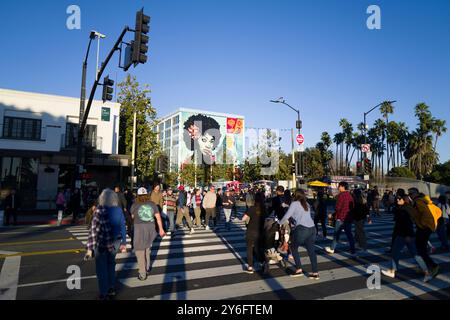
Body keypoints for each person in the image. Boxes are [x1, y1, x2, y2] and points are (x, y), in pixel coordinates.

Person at [84, 189, 127, 300]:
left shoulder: (100, 210)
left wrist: (90, 247)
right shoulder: (118, 210)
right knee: (111, 264)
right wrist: (124, 242)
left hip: (102, 240)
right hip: (116, 241)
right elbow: (123, 226)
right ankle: (111, 287)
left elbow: (94, 230)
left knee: (101, 267)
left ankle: (104, 292)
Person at [381, 194, 432, 282]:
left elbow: (407, 223)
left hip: (404, 235)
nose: (397, 201)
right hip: (405, 234)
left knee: (402, 253)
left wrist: (407, 235)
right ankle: (426, 272)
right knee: (411, 254)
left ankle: (393, 271)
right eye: (397, 199)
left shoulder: (404, 210)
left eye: (399, 199)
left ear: (404, 200)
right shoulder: (406, 208)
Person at [280, 189, 319, 279]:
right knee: (311, 251)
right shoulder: (307, 204)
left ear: (295, 195)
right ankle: (315, 273)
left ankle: (299, 269)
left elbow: (287, 216)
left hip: (302, 228)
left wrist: (280, 223)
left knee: (293, 248)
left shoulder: (295, 203)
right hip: (312, 229)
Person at [130, 187, 165, 281]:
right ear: (147, 195)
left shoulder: (134, 205)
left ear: (137, 195)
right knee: (147, 249)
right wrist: (161, 229)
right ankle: (147, 267)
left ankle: (142, 273)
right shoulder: (152, 204)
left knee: (139, 251)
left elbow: (132, 217)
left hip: (139, 228)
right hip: (150, 228)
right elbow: (158, 217)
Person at [408, 188, 440, 278]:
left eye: (411, 193)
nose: (410, 195)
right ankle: (424, 267)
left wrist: (423, 224)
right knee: (420, 248)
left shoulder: (418, 201)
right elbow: (438, 212)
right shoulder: (426, 201)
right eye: (409, 194)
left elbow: (426, 213)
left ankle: (433, 266)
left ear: (416, 193)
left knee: (420, 249)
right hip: (426, 227)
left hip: (424, 228)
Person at [325, 182, 356, 256]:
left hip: (341, 217)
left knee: (336, 234)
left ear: (342, 187)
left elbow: (337, 207)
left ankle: (332, 248)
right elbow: (352, 207)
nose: (338, 188)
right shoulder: (350, 195)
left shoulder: (341, 195)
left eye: (339, 186)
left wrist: (333, 214)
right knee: (349, 235)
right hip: (348, 218)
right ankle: (353, 250)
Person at [241, 192, 265, 274]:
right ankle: (262, 262)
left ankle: (250, 267)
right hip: (260, 231)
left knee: (249, 249)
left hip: (251, 231)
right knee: (258, 248)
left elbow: (243, 219)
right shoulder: (265, 209)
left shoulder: (252, 208)